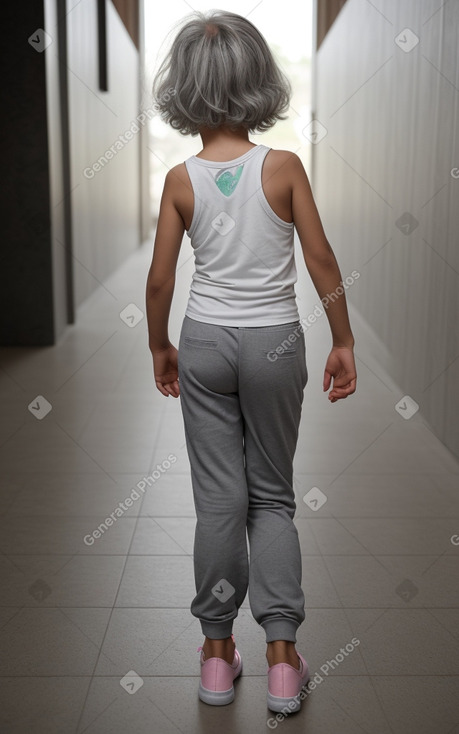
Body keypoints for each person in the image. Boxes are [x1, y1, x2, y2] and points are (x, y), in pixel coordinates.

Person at [146, 9, 357, 714]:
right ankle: (281, 660)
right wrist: (342, 339)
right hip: (274, 344)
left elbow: (159, 282)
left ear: (183, 86)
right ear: (257, 80)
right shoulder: (284, 167)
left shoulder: (180, 179)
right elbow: (320, 260)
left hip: (204, 340)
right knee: (270, 497)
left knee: (217, 501)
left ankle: (213, 658)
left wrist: (160, 344)